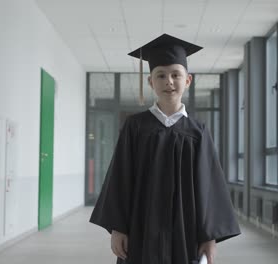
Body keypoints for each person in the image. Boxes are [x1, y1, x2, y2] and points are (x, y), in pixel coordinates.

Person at [89, 33, 240, 264]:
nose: (168, 81)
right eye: (160, 75)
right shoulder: (135, 127)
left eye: (175, 75)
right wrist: (118, 228)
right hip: (141, 226)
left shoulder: (198, 131)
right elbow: (120, 177)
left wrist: (210, 237)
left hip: (185, 229)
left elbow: (209, 185)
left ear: (187, 80)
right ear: (151, 82)